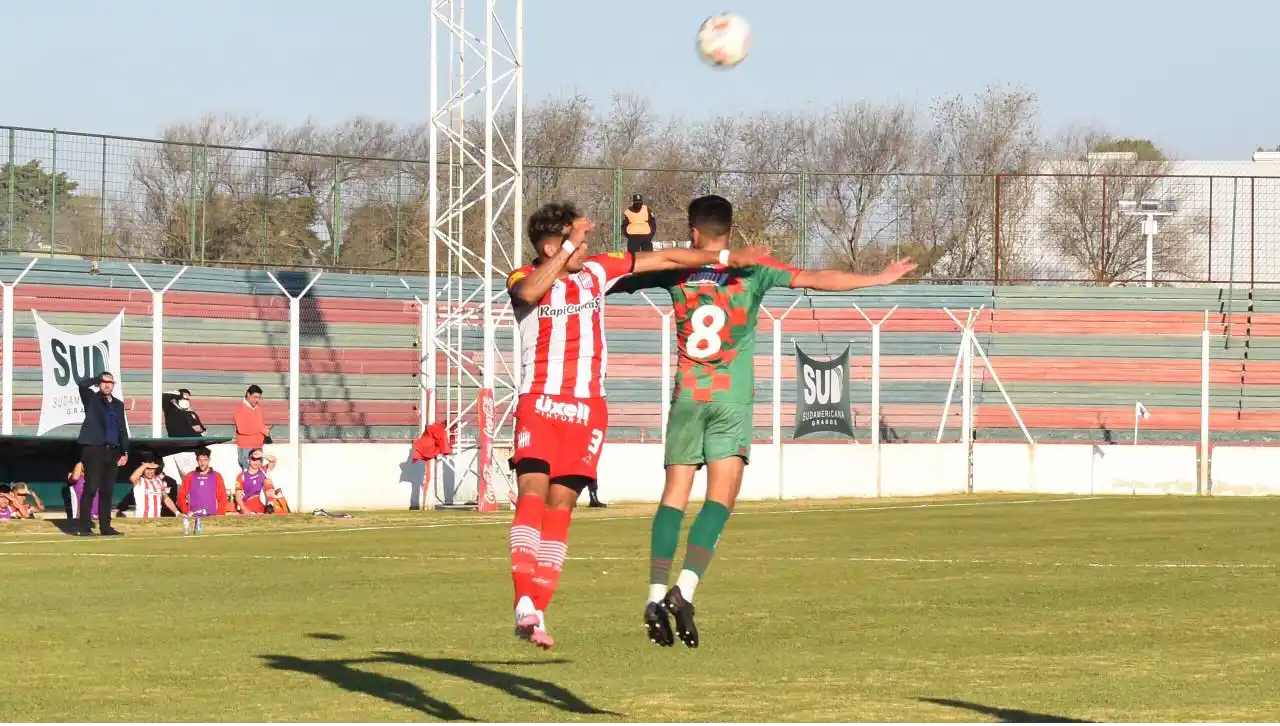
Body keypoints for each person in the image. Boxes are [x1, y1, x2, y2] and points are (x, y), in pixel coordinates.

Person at [610, 195, 917, 648]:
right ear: (730, 231)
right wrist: (878, 277)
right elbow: (816, 279)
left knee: (674, 495)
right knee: (722, 496)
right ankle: (685, 590)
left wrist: (640, 236)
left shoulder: (676, 267)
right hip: (730, 400)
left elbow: (628, 269)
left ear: (694, 231)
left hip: (689, 396)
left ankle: (655, 595)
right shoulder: (753, 268)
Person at [503, 200, 767, 650]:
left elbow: (664, 258)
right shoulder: (522, 278)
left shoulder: (598, 272)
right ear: (551, 245)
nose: (586, 249)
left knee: (562, 506)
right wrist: (566, 250)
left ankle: (538, 611)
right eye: (575, 241)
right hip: (540, 402)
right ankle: (523, 601)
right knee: (532, 491)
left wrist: (726, 258)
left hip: (586, 410)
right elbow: (529, 293)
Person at [74, 372, 130, 536]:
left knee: (107, 490)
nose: (107, 385)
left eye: (110, 382)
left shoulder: (118, 404)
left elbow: (122, 429)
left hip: (112, 450)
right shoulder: (93, 399)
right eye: (104, 382)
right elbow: (82, 384)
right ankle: (84, 526)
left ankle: (106, 527)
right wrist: (96, 379)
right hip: (94, 449)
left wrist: (125, 451)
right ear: (99, 383)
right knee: (91, 487)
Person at [162, 388, 206, 478]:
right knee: (188, 477)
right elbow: (163, 396)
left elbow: (201, 429)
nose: (186, 401)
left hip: (194, 451)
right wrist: (179, 394)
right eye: (183, 398)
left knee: (195, 477)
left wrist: (198, 430)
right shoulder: (171, 411)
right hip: (180, 449)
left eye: (187, 399)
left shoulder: (192, 413)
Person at [177, 448, 229, 517]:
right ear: (197, 460)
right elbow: (181, 496)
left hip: (212, 516)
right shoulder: (190, 476)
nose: (202, 463)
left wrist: (219, 514)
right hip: (194, 517)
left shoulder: (217, 476)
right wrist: (187, 512)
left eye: (205, 460)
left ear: (209, 460)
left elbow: (222, 497)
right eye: (200, 460)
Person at [234, 385, 271, 470]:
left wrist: (265, 430)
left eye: (259, 397)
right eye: (255, 397)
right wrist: (261, 430)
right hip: (247, 447)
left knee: (257, 474)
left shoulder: (258, 409)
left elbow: (259, 425)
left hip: (258, 446)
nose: (257, 400)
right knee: (248, 474)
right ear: (248, 395)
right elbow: (242, 429)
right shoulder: (240, 409)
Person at [235, 449, 283, 514]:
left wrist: (262, 454)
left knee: (267, 481)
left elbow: (274, 460)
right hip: (247, 504)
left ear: (261, 461)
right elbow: (237, 496)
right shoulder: (242, 475)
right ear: (249, 460)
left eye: (258, 459)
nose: (256, 462)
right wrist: (244, 509)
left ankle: (270, 504)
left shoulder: (263, 471)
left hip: (260, 505)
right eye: (253, 459)